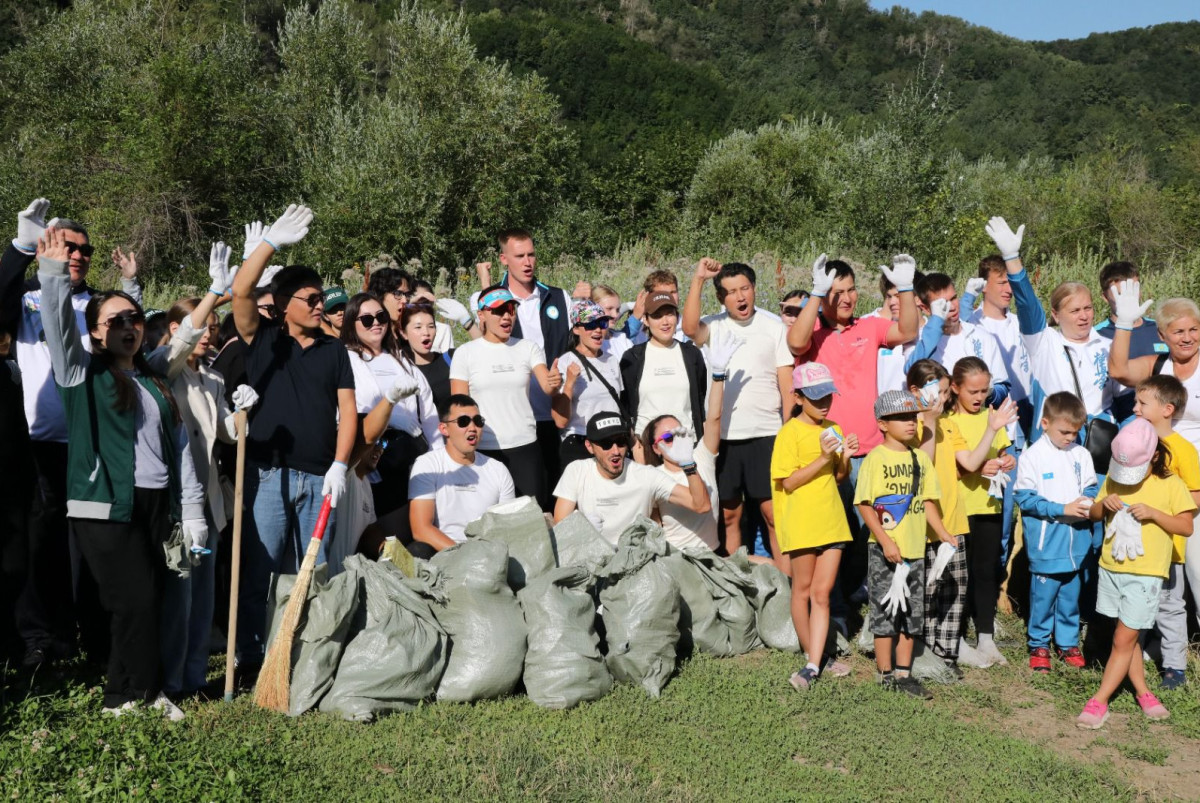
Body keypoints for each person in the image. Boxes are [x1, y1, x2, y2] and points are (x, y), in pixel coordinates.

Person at [37, 225, 205, 720]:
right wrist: (50, 272)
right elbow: (57, 325)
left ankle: (141, 692)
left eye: (134, 319)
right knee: (132, 601)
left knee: (149, 600)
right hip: (104, 504)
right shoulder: (80, 373)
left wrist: (215, 290)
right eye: (114, 322)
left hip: (154, 502)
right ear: (94, 332)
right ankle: (126, 698)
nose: (127, 327)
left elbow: (182, 341)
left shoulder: (151, 376)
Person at [0, 199, 142, 667]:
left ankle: (90, 636)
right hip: (39, 441)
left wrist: (129, 285)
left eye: (85, 249)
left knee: (87, 546)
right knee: (41, 545)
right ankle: (43, 638)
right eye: (68, 246)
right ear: (48, 247)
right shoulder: (24, 298)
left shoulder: (97, 304)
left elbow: (132, 338)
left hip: (90, 441)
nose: (78, 255)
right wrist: (21, 249)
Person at [230, 204, 357, 666]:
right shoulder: (263, 338)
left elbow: (348, 410)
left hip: (319, 476)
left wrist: (341, 464)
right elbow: (241, 289)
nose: (321, 305)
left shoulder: (333, 350)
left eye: (322, 297)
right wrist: (270, 246)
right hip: (268, 474)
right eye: (311, 298)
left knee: (312, 572)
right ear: (284, 305)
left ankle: (302, 653)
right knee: (260, 569)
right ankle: (250, 655)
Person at [147, 243, 259, 697]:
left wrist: (241, 413)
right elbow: (177, 350)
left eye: (214, 328)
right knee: (179, 597)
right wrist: (217, 291)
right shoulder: (162, 370)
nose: (210, 335)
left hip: (210, 499)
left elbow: (225, 436)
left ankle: (195, 678)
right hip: (175, 502)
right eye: (204, 328)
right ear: (177, 329)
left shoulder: (211, 378)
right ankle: (171, 681)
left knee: (204, 597)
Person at [1077, 418, 1195, 729]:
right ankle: (1144, 693)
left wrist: (1155, 514)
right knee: (1127, 638)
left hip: (1146, 575)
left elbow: (1185, 526)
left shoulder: (1170, 484)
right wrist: (1104, 504)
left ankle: (1099, 701)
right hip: (1113, 569)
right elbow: (1092, 512)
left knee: (1122, 638)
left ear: (1154, 456)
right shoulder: (1115, 480)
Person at [682, 259, 793, 564]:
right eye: (731, 292)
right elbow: (689, 328)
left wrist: (787, 434)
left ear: (754, 289)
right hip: (724, 438)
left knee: (773, 515)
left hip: (767, 434)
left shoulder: (773, 326)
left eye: (745, 288)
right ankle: (738, 591)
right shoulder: (714, 326)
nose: (740, 297)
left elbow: (787, 388)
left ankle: (785, 593)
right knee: (730, 515)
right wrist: (699, 278)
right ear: (721, 298)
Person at [1107, 289, 1200, 630]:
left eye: (1193, 329)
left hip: (1194, 484)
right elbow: (1118, 369)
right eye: (1178, 331)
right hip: (1156, 481)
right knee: (1159, 569)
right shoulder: (1157, 365)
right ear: (1162, 336)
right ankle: (1153, 646)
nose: (1187, 338)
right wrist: (1125, 324)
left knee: (1197, 569)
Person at [855, 390, 956, 699]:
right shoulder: (875, 459)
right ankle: (885, 675)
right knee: (885, 615)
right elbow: (865, 504)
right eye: (901, 418)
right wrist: (884, 540)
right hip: (885, 553)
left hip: (915, 552)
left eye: (913, 417)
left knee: (912, 616)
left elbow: (927, 502)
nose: (911, 423)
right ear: (882, 424)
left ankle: (904, 675)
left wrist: (942, 534)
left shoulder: (920, 459)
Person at [984, 217, 1117, 435]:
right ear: (1055, 314)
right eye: (1074, 311)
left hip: (1098, 447)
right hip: (1052, 445)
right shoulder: (1044, 342)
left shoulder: (1108, 345)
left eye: (1088, 308)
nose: (1084, 316)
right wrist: (1012, 258)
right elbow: (1028, 305)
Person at [771, 362, 856, 690]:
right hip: (802, 523)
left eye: (828, 397)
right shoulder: (788, 434)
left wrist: (844, 457)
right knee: (803, 591)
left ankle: (813, 662)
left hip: (832, 521)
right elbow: (789, 483)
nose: (824, 404)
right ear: (798, 397)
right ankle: (815, 656)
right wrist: (822, 458)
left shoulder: (832, 428)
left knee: (822, 593)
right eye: (816, 397)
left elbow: (837, 478)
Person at [449, 284, 562, 509]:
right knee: (490, 521)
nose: (506, 316)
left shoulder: (527, 347)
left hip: (525, 446)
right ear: (481, 315)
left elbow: (548, 387)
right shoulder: (466, 353)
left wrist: (554, 383)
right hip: (483, 450)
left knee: (532, 519)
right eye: (498, 311)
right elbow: (459, 407)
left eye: (511, 309)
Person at [1013, 392, 1098, 673]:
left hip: (1077, 544)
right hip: (1046, 544)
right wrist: (1062, 509)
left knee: (1070, 597)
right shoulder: (1032, 456)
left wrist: (1086, 502)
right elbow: (1025, 499)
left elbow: (1091, 487)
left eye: (1075, 432)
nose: (1070, 437)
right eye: (1064, 431)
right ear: (1045, 423)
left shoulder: (1081, 454)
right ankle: (1038, 643)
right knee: (1044, 598)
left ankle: (1067, 643)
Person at [640, 331, 742, 552]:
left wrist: (718, 375)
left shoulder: (701, 456)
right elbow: (701, 505)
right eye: (668, 437)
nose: (676, 439)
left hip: (712, 554)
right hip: (680, 562)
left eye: (679, 432)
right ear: (656, 448)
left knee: (770, 569)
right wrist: (687, 466)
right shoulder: (656, 476)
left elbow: (714, 418)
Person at [944, 356, 1016, 666]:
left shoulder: (991, 417)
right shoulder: (947, 421)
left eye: (984, 391)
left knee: (986, 572)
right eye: (972, 391)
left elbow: (1002, 449)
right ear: (955, 388)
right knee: (957, 575)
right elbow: (949, 469)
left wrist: (1007, 460)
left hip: (989, 504)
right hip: (958, 507)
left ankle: (985, 637)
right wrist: (976, 470)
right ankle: (955, 637)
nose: (979, 397)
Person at [342, 293, 440, 516]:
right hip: (367, 458)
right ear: (351, 322)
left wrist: (438, 458)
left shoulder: (401, 358)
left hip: (409, 454)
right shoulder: (345, 359)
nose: (375, 323)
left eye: (380, 316)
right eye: (367, 319)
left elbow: (427, 412)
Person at [1132, 375, 1200, 689]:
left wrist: (1162, 512)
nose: (1135, 409)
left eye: (1142, 404)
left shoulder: (1183, 451)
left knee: (1171, 606)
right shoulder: (1133, 440)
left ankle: (1174, 668)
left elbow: (1196, 497)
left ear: (1167, 409)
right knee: (1136, 603)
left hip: (1169, 548)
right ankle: (1137, 651)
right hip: (1136, 545)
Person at [553, 411, 711, 545]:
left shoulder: (646, 475)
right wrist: (583, 529)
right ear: (589, 446)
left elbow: (701, 505)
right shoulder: (577, 470)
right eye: (606, 444)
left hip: (636, 564)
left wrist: (688, 464)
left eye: (621, 442)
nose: (615, 451)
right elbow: (561, 524)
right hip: (592, 556)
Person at [907, 360, 973, 675]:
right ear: (915, 391)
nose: (944, 399)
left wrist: (992, 428)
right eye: (939, 391)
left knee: (953, 587)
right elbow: (924, 462)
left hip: (952, 520)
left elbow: (969, 462)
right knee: (924, 589)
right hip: (922, 524)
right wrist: (928, 421)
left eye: (947, 392)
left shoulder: (949, 423)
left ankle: (945, 653)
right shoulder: (908, 425)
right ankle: (919, 651)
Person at [495, 228, 572, 495]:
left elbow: (574, 347)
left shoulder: (559, 298)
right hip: (515, 420)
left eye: (531, 255)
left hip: (557, 416)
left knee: (560, 496)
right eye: (519, 256)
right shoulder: (491, 302)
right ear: (504, 259)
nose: (527, 262)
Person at [409, 394, 516, 554]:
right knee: (417, 551)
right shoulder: (427, 464)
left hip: (488, 556)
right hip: (444, 554)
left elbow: (508, 527)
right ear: (444, 429)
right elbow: (420, 529)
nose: (473, 428)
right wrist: (462, 555)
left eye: (478, 421)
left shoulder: (498, 470)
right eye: (463, 421)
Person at [960, 256, 1035, 439]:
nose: (1009, 289)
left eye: (1010, 283)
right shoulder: (973, 324)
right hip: (993, 417)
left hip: (1028, 413)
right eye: (1002, 283)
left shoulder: (1020, 323)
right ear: (984, 286)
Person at [907, 273, 1011, 404]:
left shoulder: (982, 336)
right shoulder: (918, 342)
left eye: (954, 298)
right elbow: (910, 370)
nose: (952, 307)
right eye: (942, 304)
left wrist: (988, 393)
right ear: (926, 309)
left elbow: (1003, 387)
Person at [620, 292, 708, 441]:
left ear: (677, 317)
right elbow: (626, 407)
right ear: (646, 320)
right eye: (657, 316)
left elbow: (701, 400)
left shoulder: (692, 355)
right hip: (646, 448)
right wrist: (635, 446)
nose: (665, 321)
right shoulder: (633, 357)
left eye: (669, 314)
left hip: (686, 444)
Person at [553, 300, 626, 466]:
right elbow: (560, 421)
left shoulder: (611, 360)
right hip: (580, 441)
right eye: (591, 325)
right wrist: (569, 383)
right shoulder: (566, 362)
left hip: (611, 441)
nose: (598, 329)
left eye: (602, 322)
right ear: (577, 329)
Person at [1095, 262, 1164, 421]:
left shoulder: (1159, 328)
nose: (1128, 298)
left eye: (1133, 290)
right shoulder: (1097, 335)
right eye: (1120, 293)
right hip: (1128, 418)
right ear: (1105, 297)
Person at [398, 301, 453, 409]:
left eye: (431, 326)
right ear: (404, 333)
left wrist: (467, 322)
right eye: (418, 327)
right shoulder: (400, 369)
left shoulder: (451, 359)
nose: (426, 332)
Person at [590, 284, 639, 361]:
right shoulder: (586, 342)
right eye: (609, 308)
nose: (615, 315)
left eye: (617, 310)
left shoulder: (623, 339)